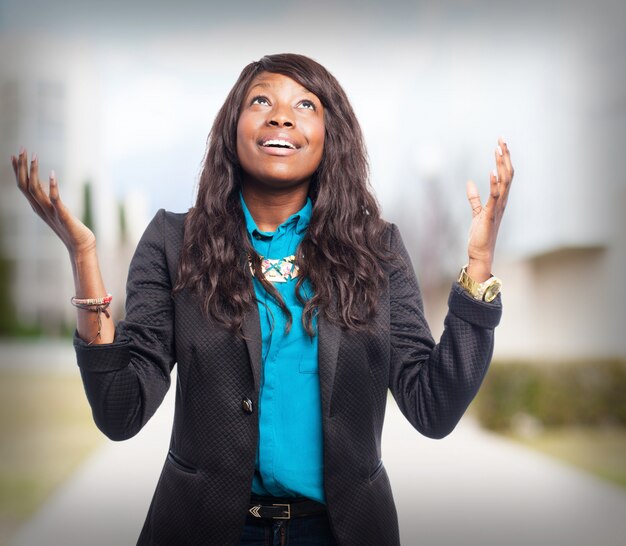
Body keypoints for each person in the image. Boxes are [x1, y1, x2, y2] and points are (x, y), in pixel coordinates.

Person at [12, 53, 513, 546]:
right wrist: (84, 256)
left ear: (329, 137)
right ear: (233, 127)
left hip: (341, 532)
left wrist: (478, 269)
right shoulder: (173, 242)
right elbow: (120, 411)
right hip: (203, 529)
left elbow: (434, 407)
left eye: (305, 105)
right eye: (261, 100)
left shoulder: (376, 249)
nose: (281, 115)